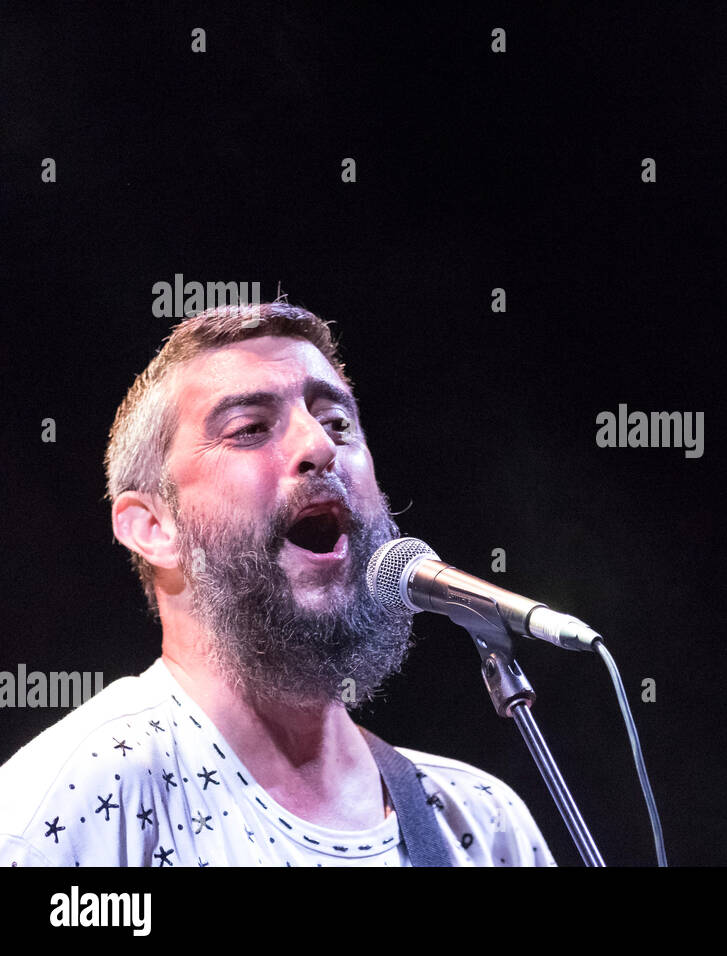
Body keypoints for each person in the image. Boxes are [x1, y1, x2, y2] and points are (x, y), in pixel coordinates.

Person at [0, 300, 554, 866]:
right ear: (153, 528)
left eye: (338, 423)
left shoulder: (484, 823)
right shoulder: (75, 805)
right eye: (249, 429)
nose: (320, 447)